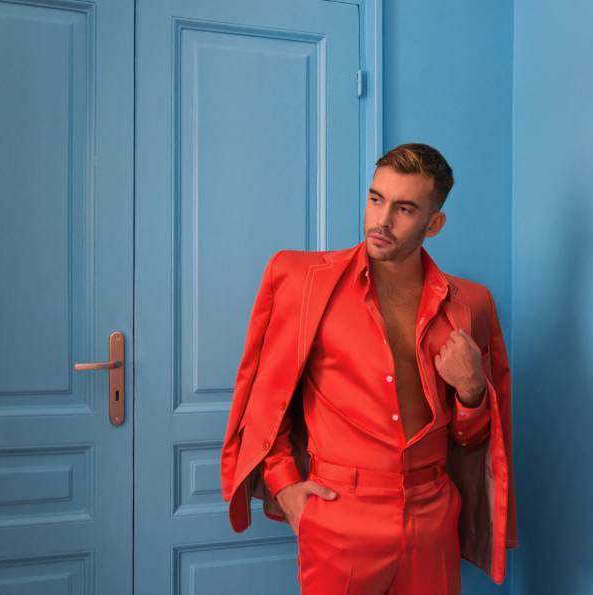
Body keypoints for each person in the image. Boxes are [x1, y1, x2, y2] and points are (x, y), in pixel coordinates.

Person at [220, 143, 518, 594]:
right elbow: (267, 400)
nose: (382, 220)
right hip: (340, 513)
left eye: (404, 209)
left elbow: (473, 440)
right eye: (376, 199)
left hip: (432, 516)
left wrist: (473, 390)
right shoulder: (303, 282)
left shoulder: (471, 305)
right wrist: (285, 488)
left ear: (434, 224)